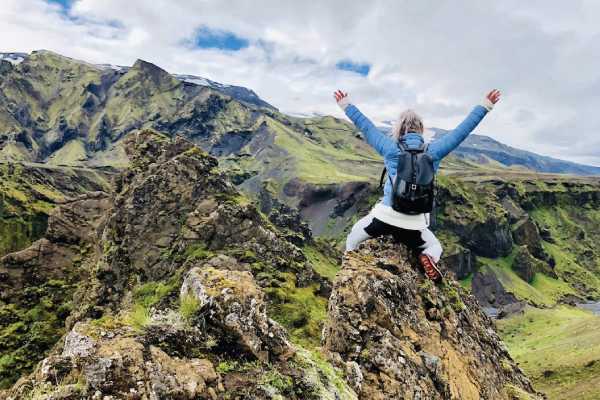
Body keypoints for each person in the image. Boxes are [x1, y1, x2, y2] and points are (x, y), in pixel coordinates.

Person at [334, 89, 501, 281]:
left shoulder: (389, 147)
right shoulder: (434, 150)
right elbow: (461, 132)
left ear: (398, 131)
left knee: (352, 240)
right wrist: (485, 105)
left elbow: (366, 126)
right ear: (422, 131)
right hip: (414, 225)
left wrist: (346, 104)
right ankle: (427, 257)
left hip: (384, 218)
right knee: (435, 246)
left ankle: (349, 277)